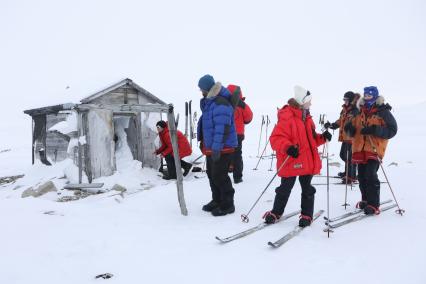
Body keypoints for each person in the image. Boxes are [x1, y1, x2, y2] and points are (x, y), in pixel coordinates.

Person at [263, 86, 331, 227]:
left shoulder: (307, 118)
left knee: (307, 189)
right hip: (291, 160)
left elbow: (311, 140)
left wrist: (323, 138)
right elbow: (276, 138)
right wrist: (287, 147)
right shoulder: (287, 117)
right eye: (308, 101)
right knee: (285, 188)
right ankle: (276, 212)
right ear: (301, 102)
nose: (310, 104)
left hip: (306, 161)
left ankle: (306, 215)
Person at [344, 86, 397, 215]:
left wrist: (375, 130)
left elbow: (392, 129)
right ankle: (366, 200)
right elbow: (351, 128)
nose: (367, 97)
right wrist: (349, 129)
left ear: (375, 96)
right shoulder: (359, 110)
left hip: (374, 148)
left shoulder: (383, 111)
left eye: (369, 95)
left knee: (370, 175)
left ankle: (373, 204)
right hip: (359, 148)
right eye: (365, 95)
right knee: (361, 176)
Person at [197, 74, 238, 216]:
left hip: (222, 147)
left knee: (220, 176)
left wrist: (216, 147)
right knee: (211, 174)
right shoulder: (211, 102)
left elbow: (222, 128)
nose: (200, 91)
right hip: (212, 146)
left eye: (201, 88)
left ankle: (227, 204)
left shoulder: (221, 103)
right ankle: (217, 200)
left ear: (207, 88)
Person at [324, 91, 360, 184]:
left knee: (349, 157)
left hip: (352, 138)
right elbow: (341, 120)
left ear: (351, 100)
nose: (345, 101)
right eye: (344, 99)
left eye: (346, 99)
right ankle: (348, 172)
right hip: (345, 137)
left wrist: (353, 130)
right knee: (343, 155)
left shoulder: (356, 110)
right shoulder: (345, 109)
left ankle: (350, 176)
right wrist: (332, 125)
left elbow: (359, 124)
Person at [226, 84, 253, 184]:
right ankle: (237, 177)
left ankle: (228, 169)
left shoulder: (224, 103)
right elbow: (248, 118)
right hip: (238, 134)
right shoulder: (241, 105)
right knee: (237, 155)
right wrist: (244, 106)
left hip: (226, 134)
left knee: (226, 153)